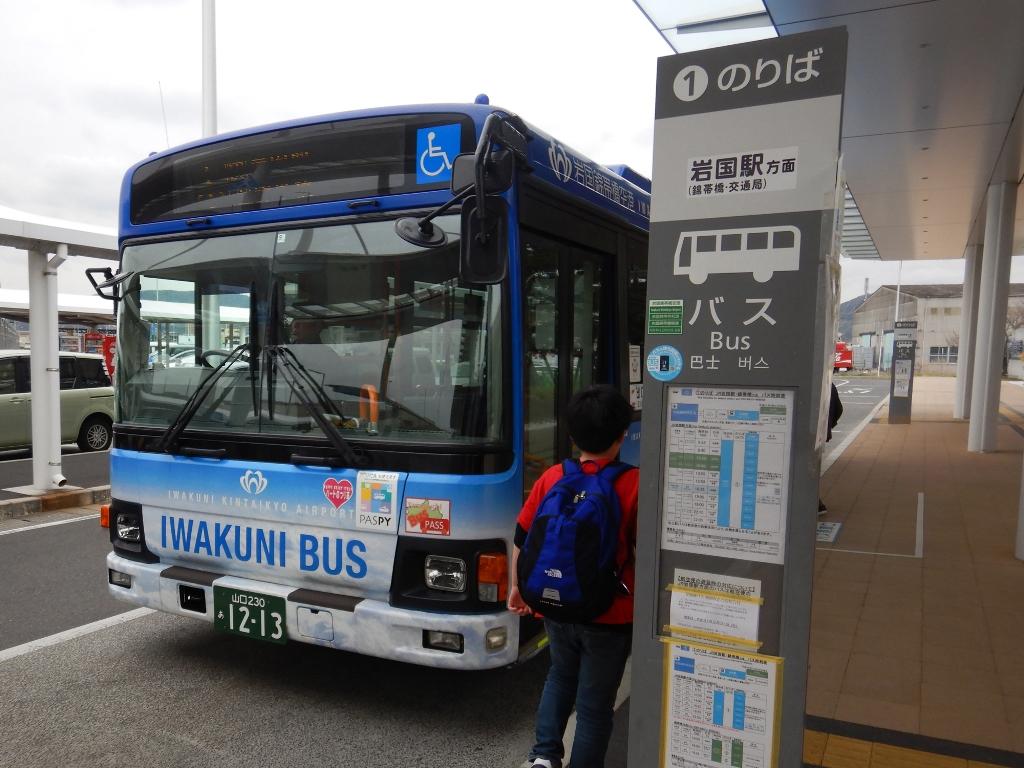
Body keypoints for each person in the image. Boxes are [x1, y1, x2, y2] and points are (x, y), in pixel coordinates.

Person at [509, 384, 639, 768]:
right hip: (610, 613)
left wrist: (518, 587)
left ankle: (544, 758)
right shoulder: (634, 484)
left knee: (560, 677)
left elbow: (523, 537)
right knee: (594, 706)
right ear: (622, 435)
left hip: (556, 602)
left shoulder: (553, 477)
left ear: (572, 436)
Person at [819, 382, 843, 515]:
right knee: (812, 468)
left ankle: (816, 504)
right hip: (820, 435)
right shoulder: (828, 384)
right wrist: (827, 427)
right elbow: (839, 409)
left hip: (803, 436)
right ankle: (817, 503)